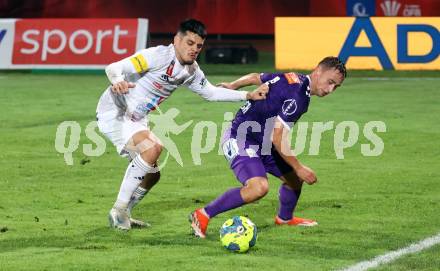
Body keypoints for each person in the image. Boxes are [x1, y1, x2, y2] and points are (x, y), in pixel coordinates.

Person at [96, 19, 269, 230]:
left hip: (137, 118)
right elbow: (114, 68)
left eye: (198, 46)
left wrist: (248, 94)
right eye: (189, 43)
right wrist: (118, 82)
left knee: (152, 175)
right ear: (176, 40)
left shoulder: (191, 71)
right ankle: (119, 209)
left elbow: (211, 93)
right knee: (152, 148)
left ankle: (125, 214)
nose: (194, 49)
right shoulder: (157, 56)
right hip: (115, 112)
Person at [189, 56, 347, 238]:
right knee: (258, 188)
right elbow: (277, 137)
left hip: (263, 142)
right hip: (241, 137)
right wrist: (299, 167)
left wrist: (234, 85)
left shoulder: (295, 78)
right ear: (318, 71)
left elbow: (256, 77)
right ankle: (202, 215)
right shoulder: (299, 96)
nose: (330, 89)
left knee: (294, 179)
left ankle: (284, 218)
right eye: (330, 82)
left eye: (336, 86)